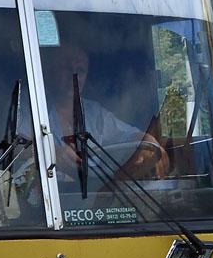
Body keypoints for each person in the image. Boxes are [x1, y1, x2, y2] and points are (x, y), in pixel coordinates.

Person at [43, 45, 169, 184]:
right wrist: (51, 152)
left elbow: (126, 135)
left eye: (81, 70)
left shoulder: (93, 112)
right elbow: (19, 145)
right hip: (47, 196)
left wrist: (149, 141)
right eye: (67, 68)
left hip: (93, 195)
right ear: (49, 71)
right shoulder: (31, 108)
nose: (74, 76)